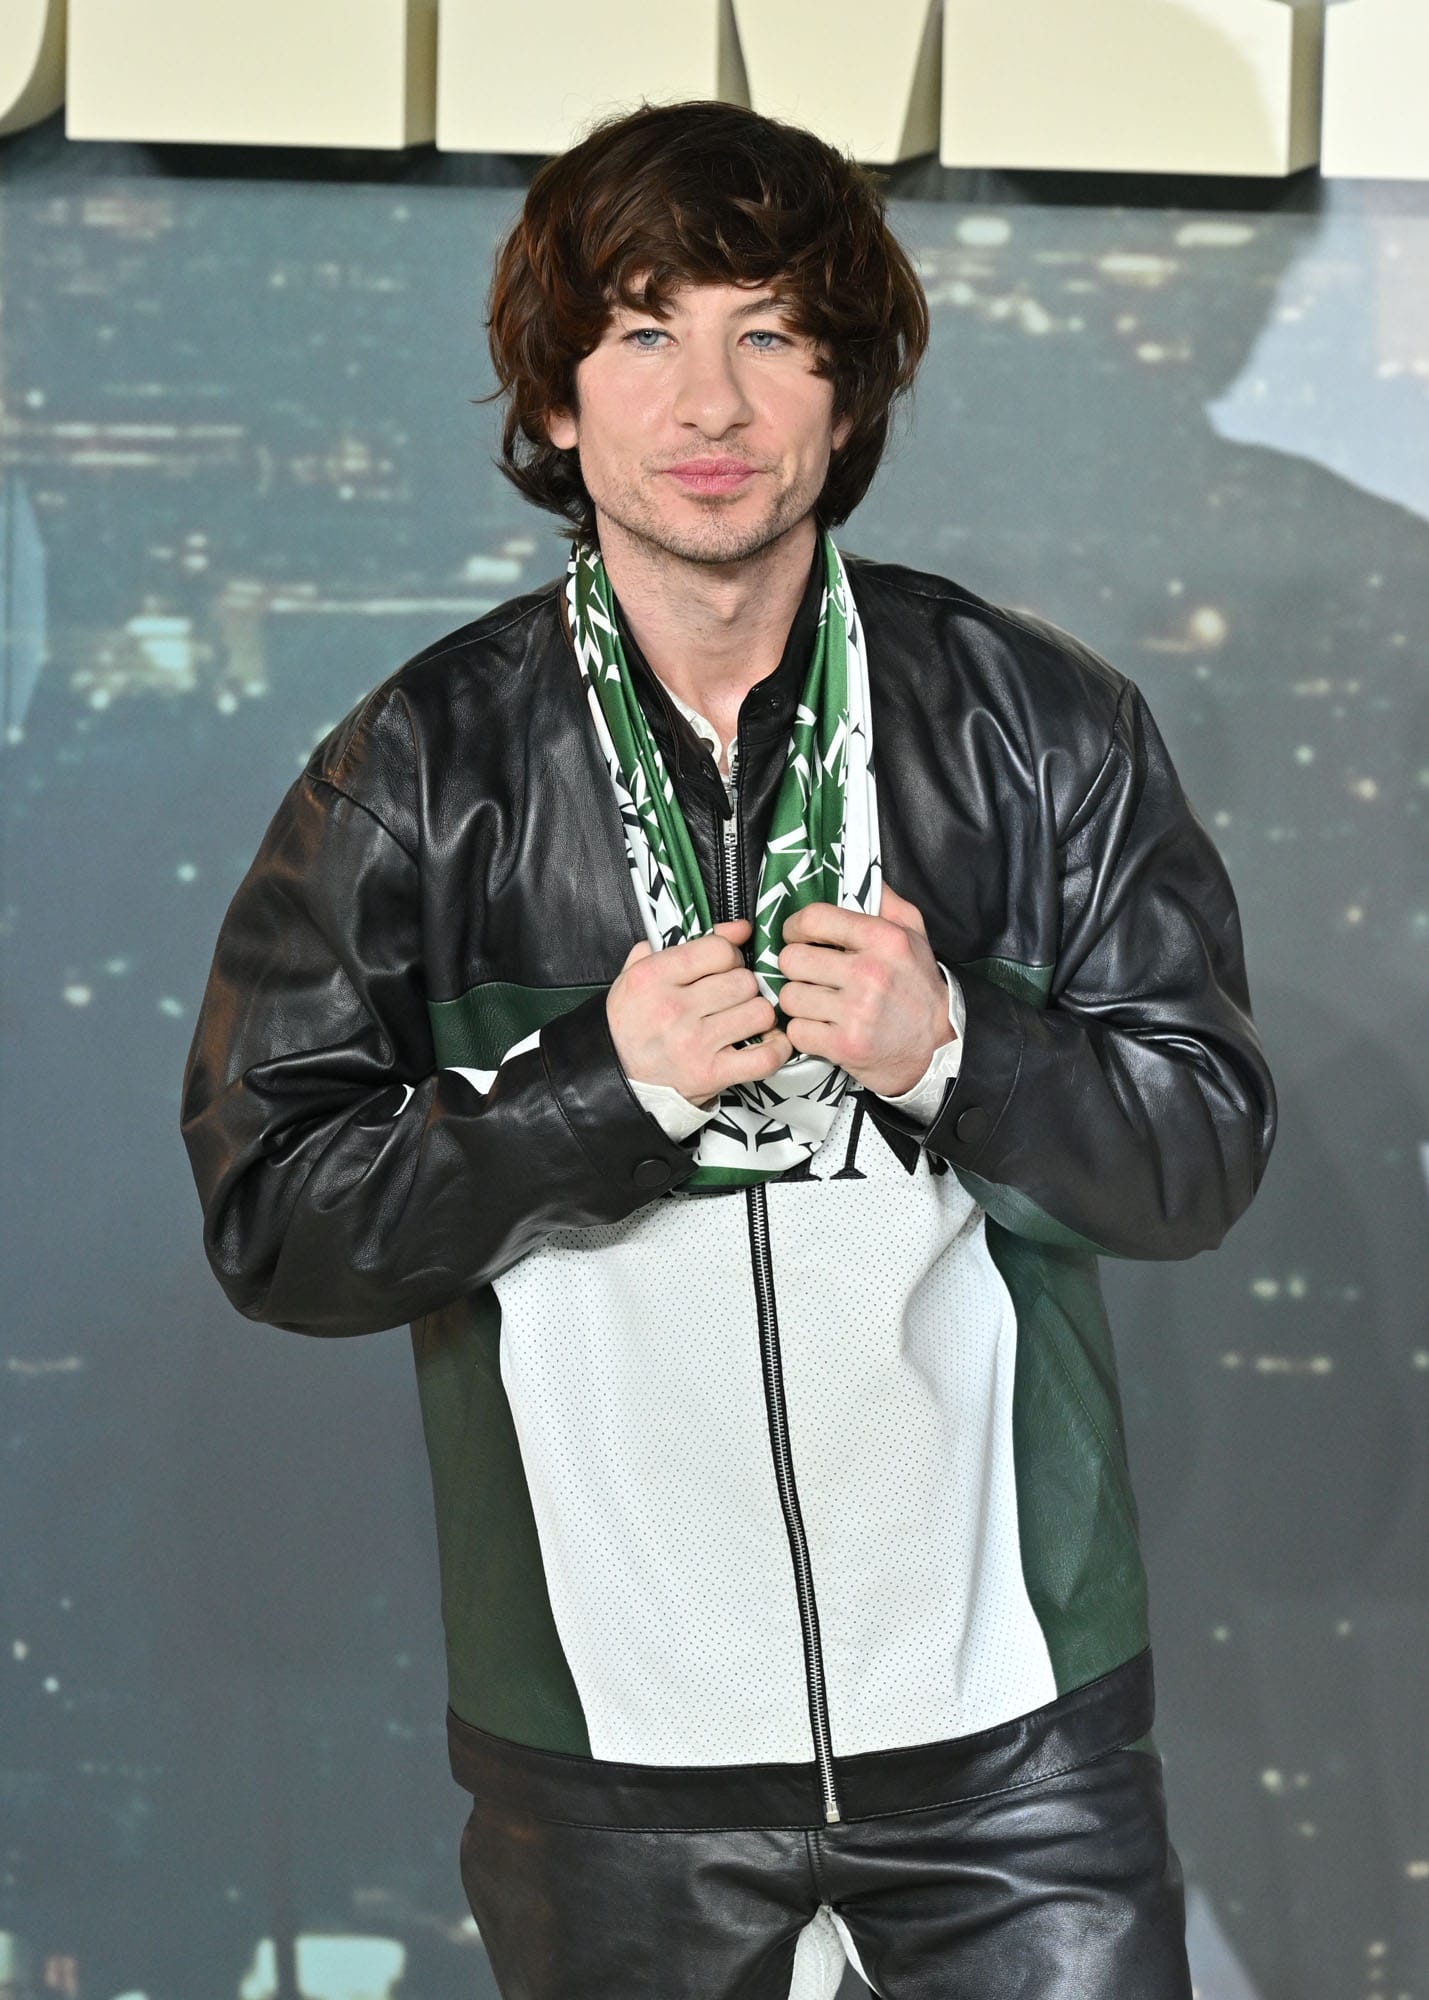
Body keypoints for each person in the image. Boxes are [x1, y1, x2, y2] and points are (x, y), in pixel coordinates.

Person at [179, 98, 1277, 2000]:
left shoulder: (1038, 726)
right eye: (642, 333)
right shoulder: (415, 771)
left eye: (769, 333)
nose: (710, 402)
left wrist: (960, 1052)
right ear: (554, 401)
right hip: (613, 1762)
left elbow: (1200, 1156)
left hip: (1011, 1732)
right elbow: (276, 1222)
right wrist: (589, 1094)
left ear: (847, 397)